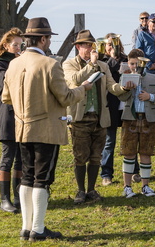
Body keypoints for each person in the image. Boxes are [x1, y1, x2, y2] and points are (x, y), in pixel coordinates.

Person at [2, 17, 93, 241]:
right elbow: (65, 97)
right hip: (47, 129)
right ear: (43, 39)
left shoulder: (14, 63)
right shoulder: (50, 64)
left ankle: (26, 228)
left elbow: (6, 97)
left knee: (27, 176)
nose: (49, 42)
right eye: (48, 38)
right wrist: (83, 88)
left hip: (22, 127)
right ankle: (38, 229)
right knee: (41, 179)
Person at [63, 30, 130, 204]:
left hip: (100, 117)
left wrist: (125, 88)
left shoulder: (103, 65)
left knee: (96, 156)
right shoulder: (69, 64)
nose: (90, 48)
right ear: (78, 47)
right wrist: (91, 65)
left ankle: (91, 189)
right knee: (80, 155)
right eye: (86, 45)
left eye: (91, 45)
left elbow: (112, 86)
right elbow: (75, 81)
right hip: (79, 117)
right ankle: (80, 190)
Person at [117, 48, 155, 198]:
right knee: (128, 152)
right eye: (131, 63)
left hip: (148, 119)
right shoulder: (125, 77)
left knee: (146, 152)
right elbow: (121, 98)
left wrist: (150, 96)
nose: (134, 66)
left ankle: (145, 186)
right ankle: (127, 187)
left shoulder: (153, 78)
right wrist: (126, 89)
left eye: (137, 63)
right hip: (130, 119)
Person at [0, 27, 25, 213]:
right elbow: (7, 82)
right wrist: (20, 63)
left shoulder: (20, 60)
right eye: (14, 44)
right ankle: (4, 199)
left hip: (23, 113)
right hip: (7, 113)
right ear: (6, 45)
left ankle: (18, 197)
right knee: (8, 156)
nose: (17, 48)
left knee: (21, 158)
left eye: (20, 45)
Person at [100, 33, 140, 186]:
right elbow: (108, 71)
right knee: (109, 142)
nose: (112, 47)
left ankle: (134, 171)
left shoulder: (126, 59)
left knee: (130, 139)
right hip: (110, 105)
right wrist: (114, 59)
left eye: (115, 44)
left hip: (126, 104)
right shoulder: (103, 61)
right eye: (109, 44)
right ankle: (106, 174)